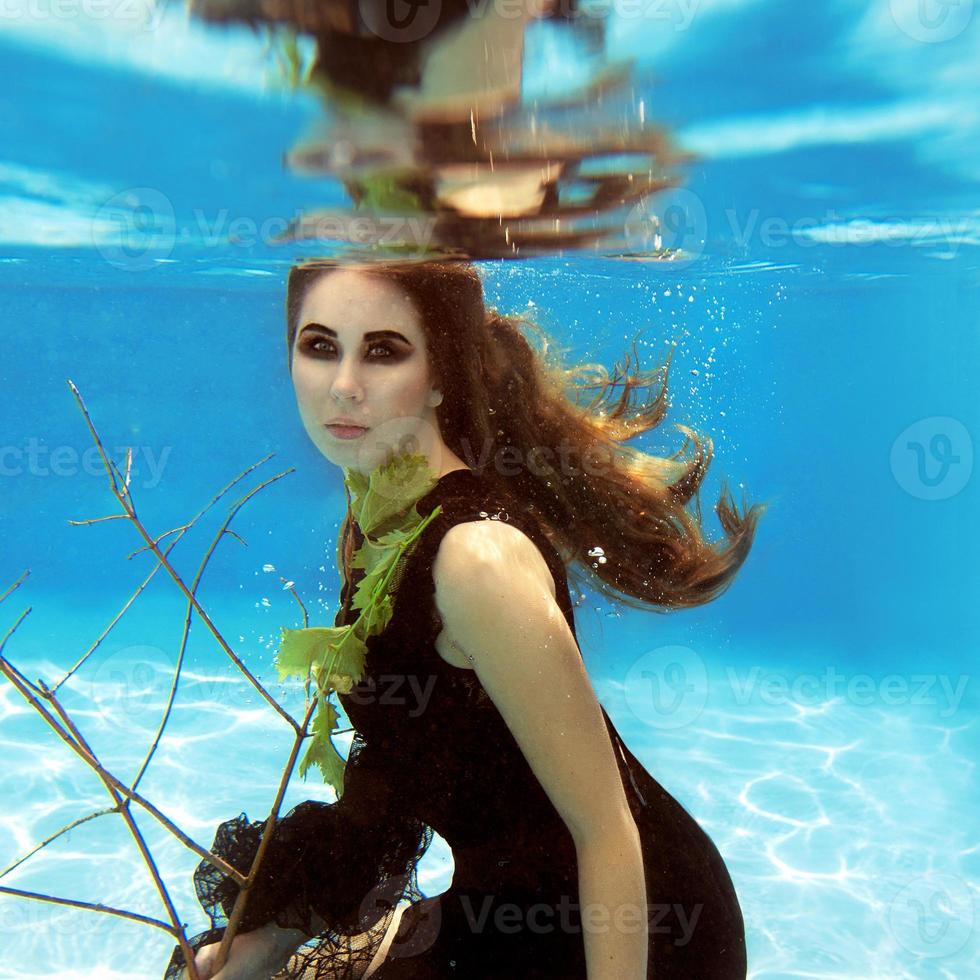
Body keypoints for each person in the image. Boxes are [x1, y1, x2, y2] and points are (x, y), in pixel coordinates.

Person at [166, 258, 765, 980]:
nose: (343, 384)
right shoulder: (383, 524)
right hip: (505, 907)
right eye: (319, 345)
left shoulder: (476, 560)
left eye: (384, 351)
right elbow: (397, 769)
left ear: (442, 374)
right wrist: (275, 934)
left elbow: (607, 831)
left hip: (635, 937)